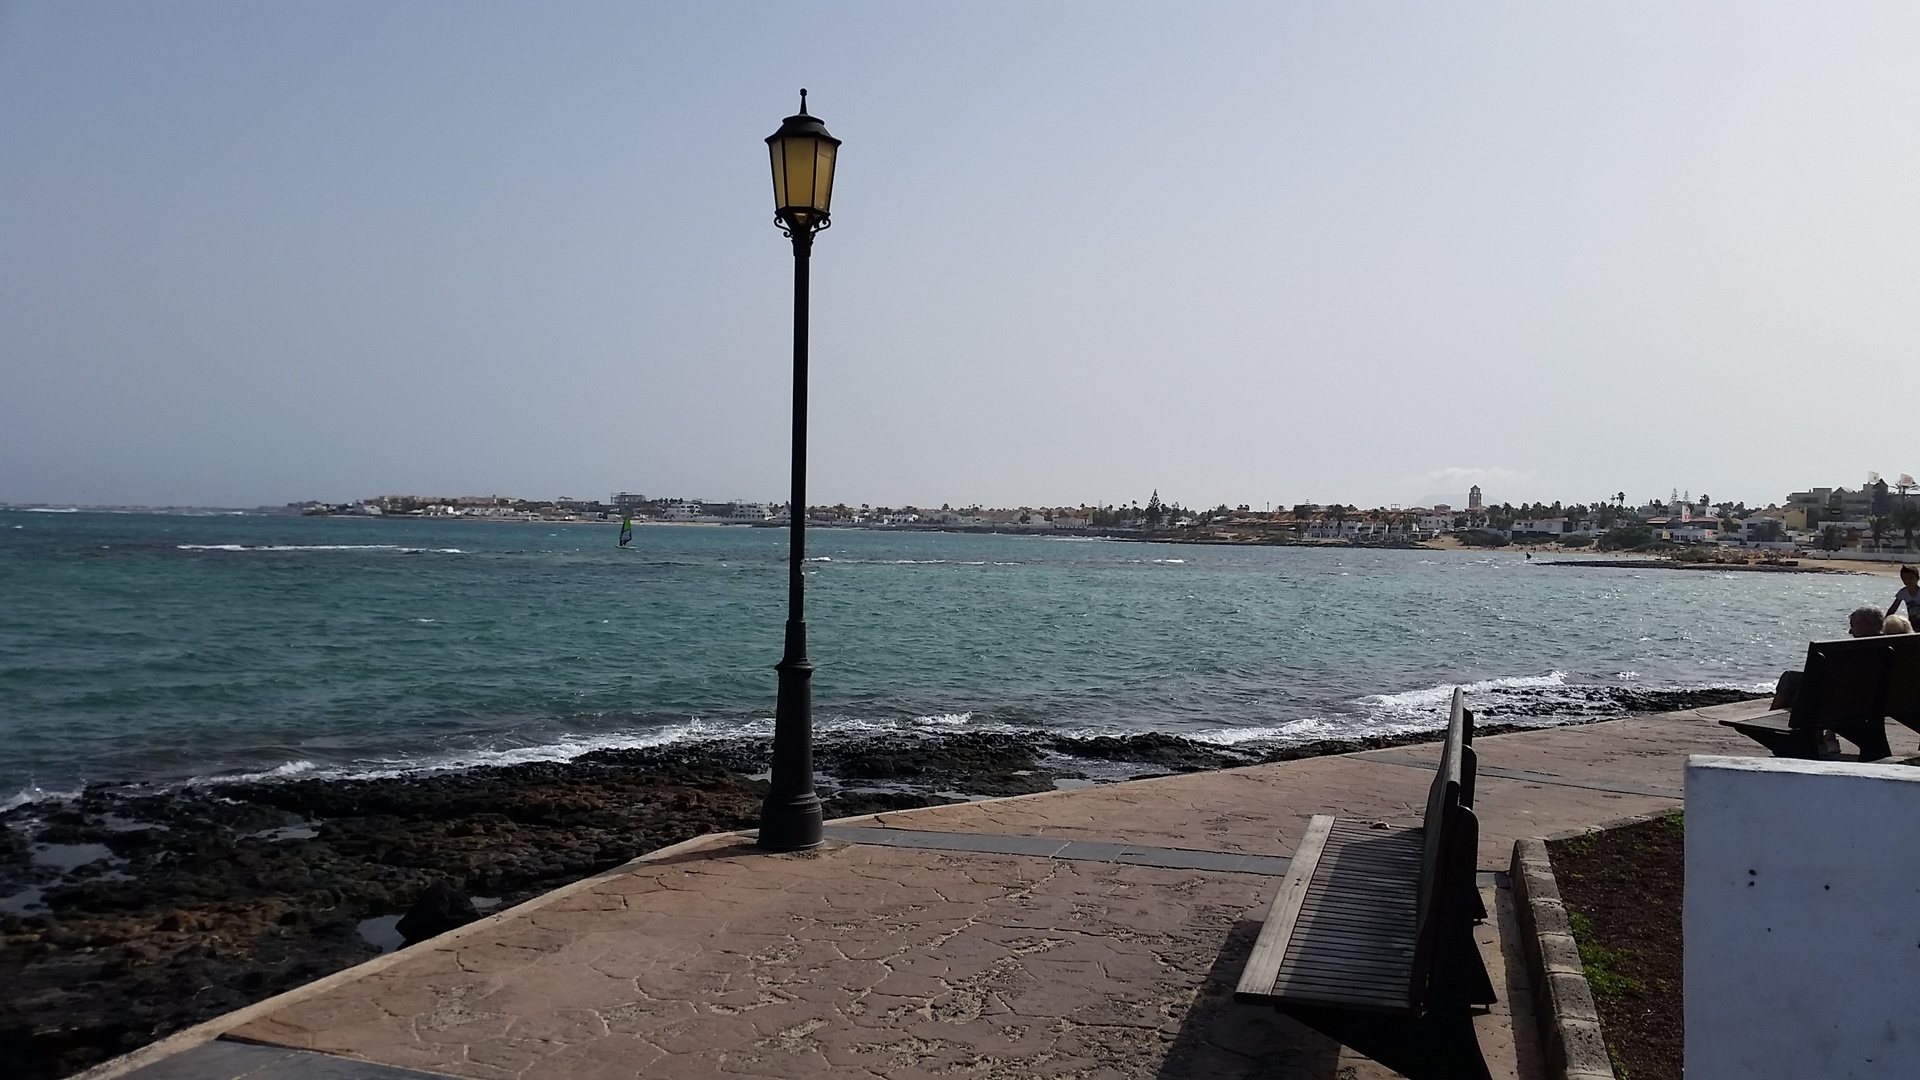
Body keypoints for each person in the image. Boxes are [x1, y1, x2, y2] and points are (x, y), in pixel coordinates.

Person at [1771, 606, 1886, 710]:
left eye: (1853, 625)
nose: (1850, 631)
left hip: (1845, 698)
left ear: (1865, 624)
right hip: (1875, 698)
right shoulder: (1891, 644)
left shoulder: (1861, 648)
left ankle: (1772, 721)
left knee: (1790, 678)